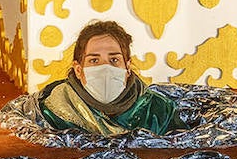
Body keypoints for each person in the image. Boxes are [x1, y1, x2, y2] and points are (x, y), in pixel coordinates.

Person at [35, 20, 180, 136]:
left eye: (114, 60)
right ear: (78, 70)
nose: (105, 68)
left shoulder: (159, 111)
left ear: (127, 67)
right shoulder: (53, 113)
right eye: (94, 61)